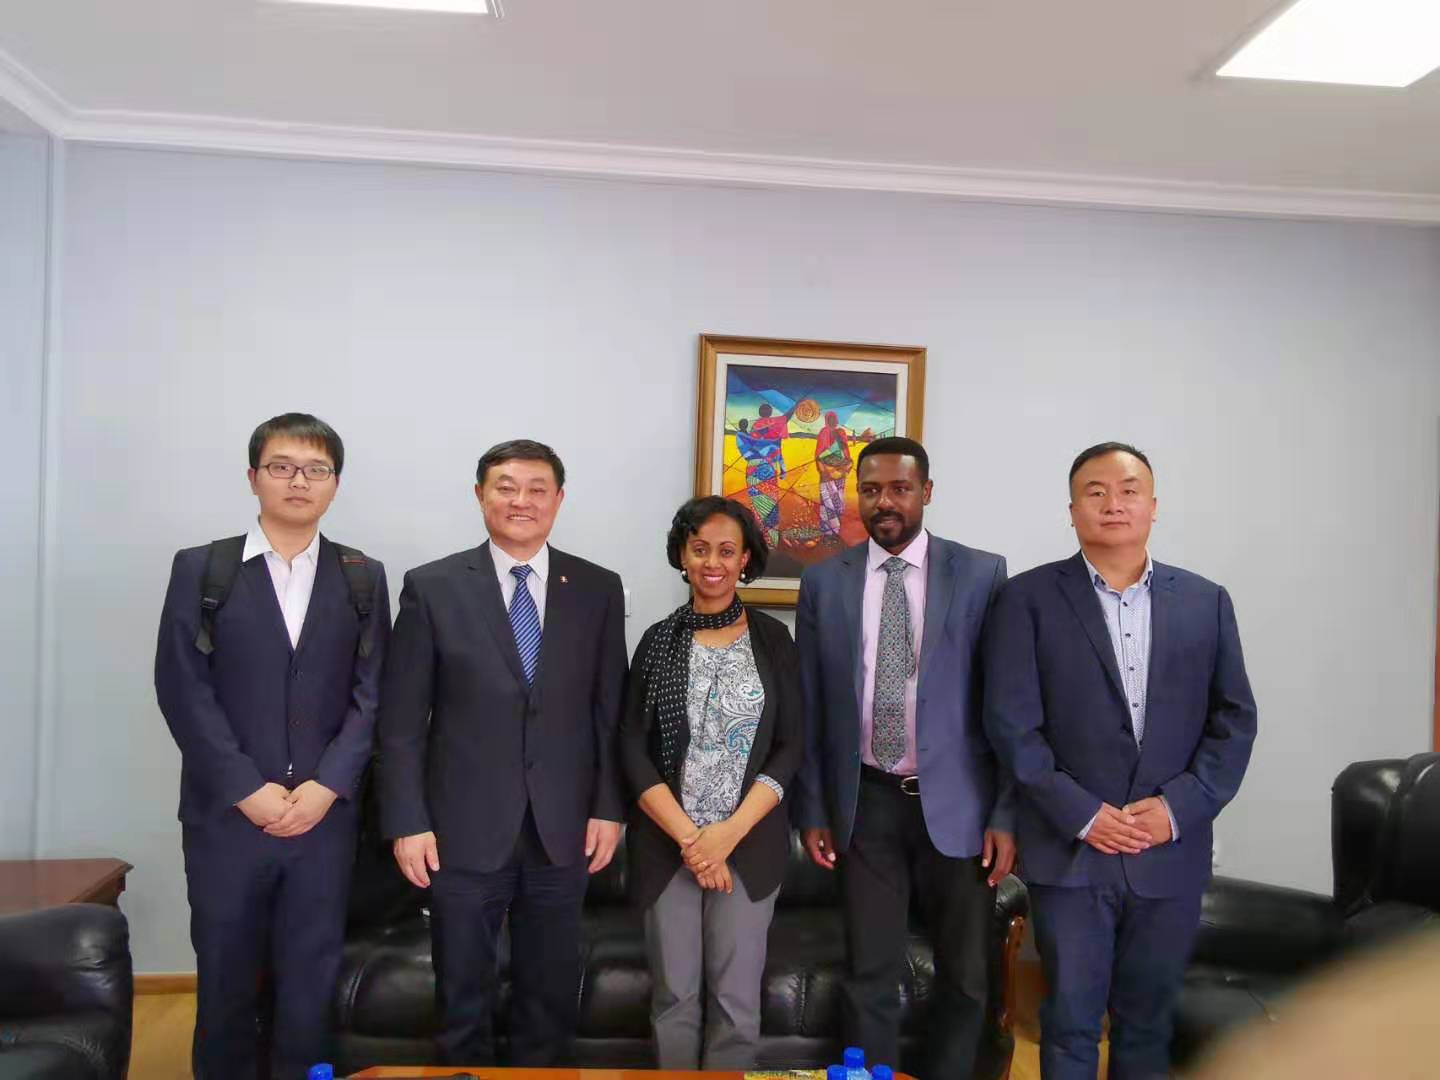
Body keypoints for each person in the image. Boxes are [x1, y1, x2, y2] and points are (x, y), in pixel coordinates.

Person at [982, 441, 1258, 1080]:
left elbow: (1234, 720)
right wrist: (1082, 814)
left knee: (1147, 1025)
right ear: (1072, 510)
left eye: (1129, 490)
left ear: (1153, 506)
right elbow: (1012, 726)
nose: (1114, 503)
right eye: (1096, 491)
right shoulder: (1026, 599)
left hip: (1169, 851)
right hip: (1071, 851)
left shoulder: (1206, 601)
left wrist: (1176, 810)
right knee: (1070, 1023)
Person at [377, 438, 627, 1067]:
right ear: (480, 495)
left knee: (550, 1000)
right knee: (462, 997)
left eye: (537, 489)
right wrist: (407, 821)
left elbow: (609, 713)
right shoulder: (432, 587)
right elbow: (401, 723)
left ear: (559, 499)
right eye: (506, 487)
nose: (522, 501)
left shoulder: (597, 588)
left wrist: (608, 807)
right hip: (460, 830)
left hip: (562, 828)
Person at [155, 412, 390, 1079]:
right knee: (225, 978)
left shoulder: (362, 576)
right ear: (254, 476)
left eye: (317, 469)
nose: (299, 481)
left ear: (335, 483)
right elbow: (182, 689)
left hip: (324, 820)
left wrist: (327, 786)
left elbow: (373, 694)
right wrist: (245, 789)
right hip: (226, 819)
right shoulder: (204, 569)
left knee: (310, 984)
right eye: (282, 467)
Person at [792, 435, 1016, 1080]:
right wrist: (815, 808)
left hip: (960, 804)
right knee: (870, 971)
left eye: (899, 488)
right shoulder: (824, 581)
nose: (884, 502)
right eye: (871, 490)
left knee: (966, 975)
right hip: (867, 801)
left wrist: (1006, 813)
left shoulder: (981, 574)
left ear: (926, 492)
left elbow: (1007, 704)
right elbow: (811, 703)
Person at [619, 495, 804, 1070]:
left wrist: (726, 835)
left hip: (748, 845)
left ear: (745, 559)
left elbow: (792, 745)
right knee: (673, 999)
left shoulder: (773, 641)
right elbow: (631, 748)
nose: (713, 562)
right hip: (666, 846)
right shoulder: (657, 641)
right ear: (682, 555)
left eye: (727, 550)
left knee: (735, 1003)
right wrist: (693, 841)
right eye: (700, 549)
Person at [814, 410, 853, 544]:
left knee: (837, 503)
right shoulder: (824, 432)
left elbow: (846, 453)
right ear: (827, 420)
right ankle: (827, 534)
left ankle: (835, 532)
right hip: (827, 475)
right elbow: (819, 455)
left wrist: (846, 468)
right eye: (830, 418)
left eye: (834, 418)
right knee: (827, 504)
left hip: (839, 475)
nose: (833, 421)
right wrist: (825, 471)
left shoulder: (841, 432)